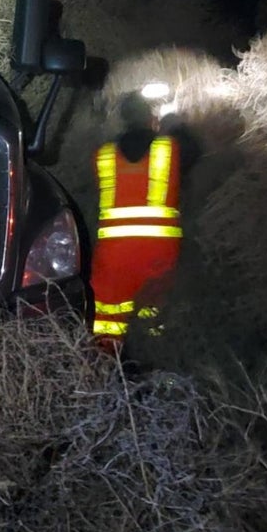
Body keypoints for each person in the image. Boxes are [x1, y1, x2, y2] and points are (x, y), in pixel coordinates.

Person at [89, 94, 187, 351]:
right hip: (159, 252)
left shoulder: (104, 155)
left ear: (122, 119)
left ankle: (104, 368)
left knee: (109, 315)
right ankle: (156, 361)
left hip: (114, 252)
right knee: (154, 313)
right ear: (150, 117)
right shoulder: (170, 149)